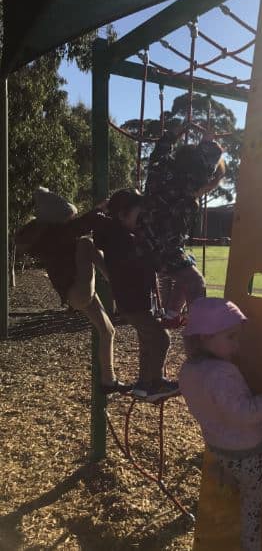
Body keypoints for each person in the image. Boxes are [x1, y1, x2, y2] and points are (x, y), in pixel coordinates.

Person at [179, 297, 262, 551]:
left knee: (231, 473)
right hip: (247, 452)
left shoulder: (188, 370)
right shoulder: (221, 374)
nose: (237, 344)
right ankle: (251, 545)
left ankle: (226, 478)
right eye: (231, 337)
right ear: (205, 338)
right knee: (252, 504)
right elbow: (242, 412)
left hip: (217, 446)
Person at [16, 187, 129, 394]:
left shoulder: (52, 236)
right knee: (87, 243)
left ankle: (108, 381)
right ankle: (120, 282)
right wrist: (99, 210)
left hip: (77, 293)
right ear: (58, 218)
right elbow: (82, 225)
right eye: (69, 217)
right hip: (79, 290)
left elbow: (78, 226)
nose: (71, 220)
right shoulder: (56, 235)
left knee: (108, 331)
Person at [95, 188, 179, 402]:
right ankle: (155, 382)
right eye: (138, 216)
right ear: (122, 215)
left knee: (147, 340)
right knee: (161, 338)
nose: (142, 221)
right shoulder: (121, 239)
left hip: (133, 301)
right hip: (134, 303)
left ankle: (144, 384)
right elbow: (142, 262)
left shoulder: (118, 235)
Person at [139, 127, 225, 328]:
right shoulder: (188, 189)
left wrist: (176, 131)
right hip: (161, 247)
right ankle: (199, 332)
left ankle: (171, 315)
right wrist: (209, 144)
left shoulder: (160, 168)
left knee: (188, 262)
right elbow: (207, 168)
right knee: (196, 282)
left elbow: (161, 147)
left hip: (143, 238)